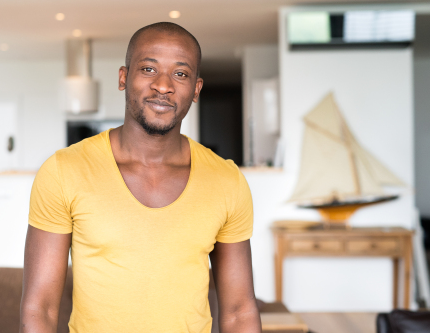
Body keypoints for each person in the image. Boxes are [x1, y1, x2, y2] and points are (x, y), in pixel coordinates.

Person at [20, 22, 261, 333]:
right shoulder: (64, 171)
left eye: (181, 73)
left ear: (196, 89)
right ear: (124, 77)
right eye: (148, 69)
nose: (163, 85)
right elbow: (40, 308)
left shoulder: (227, 181)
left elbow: (240, 311)